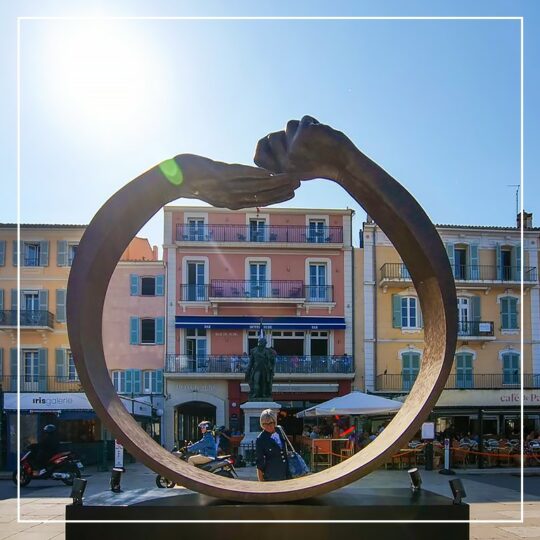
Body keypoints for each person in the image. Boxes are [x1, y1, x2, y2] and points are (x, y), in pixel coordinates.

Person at [255, 409, 290, 482]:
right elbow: (259, 463)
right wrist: (261, 482)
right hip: (272, 477)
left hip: (287, 474)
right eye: (264, 424)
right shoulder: (260, 439)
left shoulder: (280, 430)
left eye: (270, 423)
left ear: (275, 422)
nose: (268, 426)